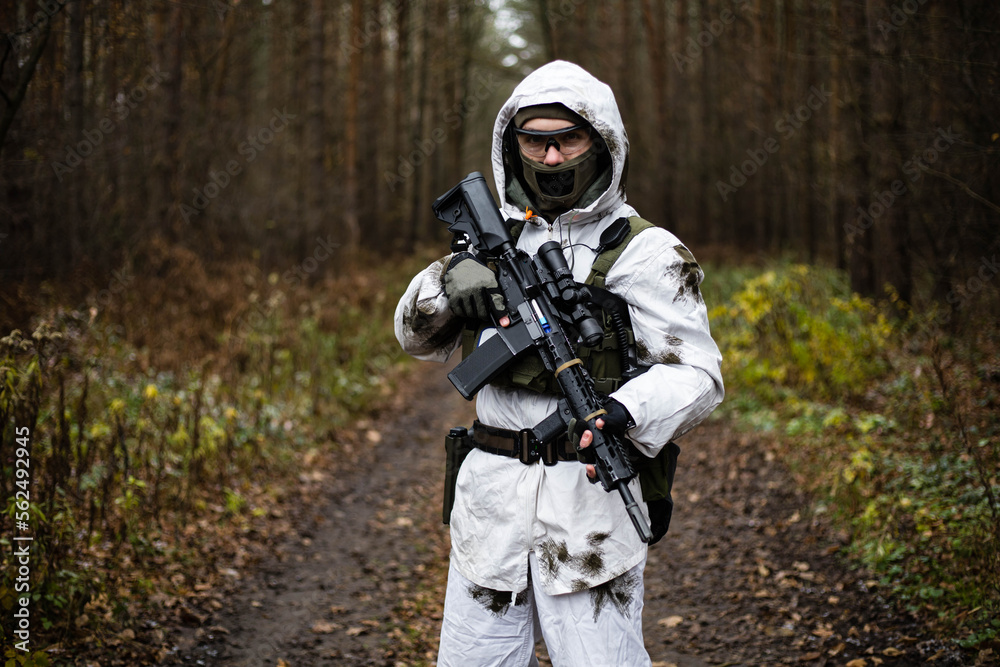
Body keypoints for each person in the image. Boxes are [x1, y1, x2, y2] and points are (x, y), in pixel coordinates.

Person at [394, 60, 724, 666]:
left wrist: (624, 411)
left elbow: (698, 376)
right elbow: (413, 338)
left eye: (567, 140)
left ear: (602, 144)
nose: (549, 159)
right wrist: (448, 278)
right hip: (489, 513)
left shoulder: (647, 252)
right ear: (511, 144)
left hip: (590, 515)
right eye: (534, 141)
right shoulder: (493, 244)